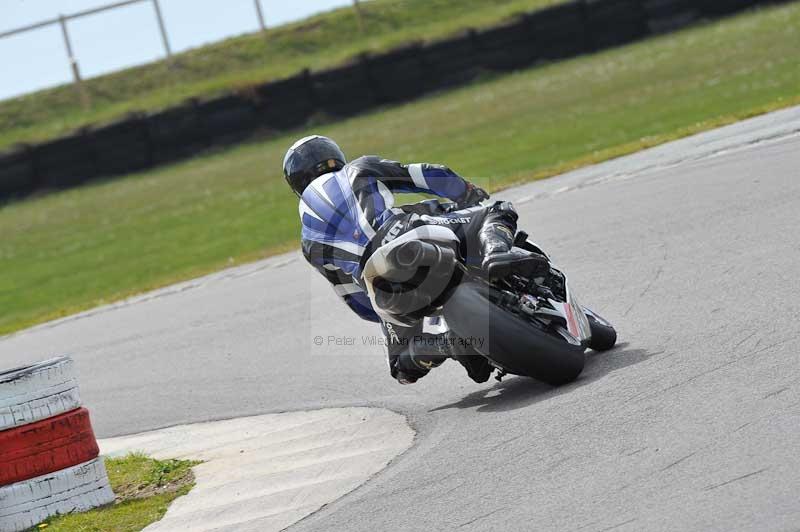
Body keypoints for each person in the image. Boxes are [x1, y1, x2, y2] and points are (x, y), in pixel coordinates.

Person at [285, 135, 542, 385]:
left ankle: (447, 344)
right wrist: (465, 191)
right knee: (499, 209)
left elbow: (354, 299)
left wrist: (389, 313)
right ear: (335, 157)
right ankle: (496, 252)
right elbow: (425, 174)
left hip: (375, 281)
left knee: (400, 369)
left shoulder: (308, 241)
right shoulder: (356, 169)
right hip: (404, 232)